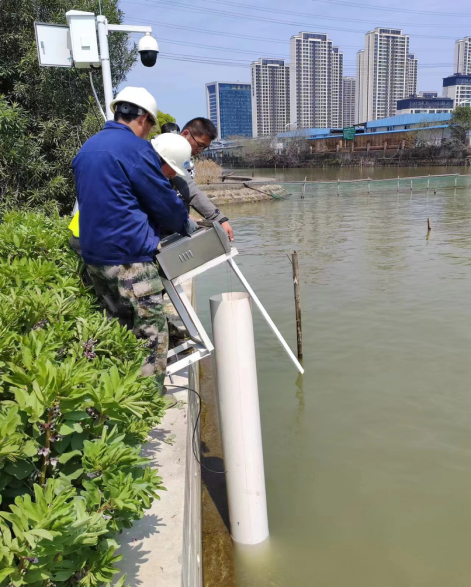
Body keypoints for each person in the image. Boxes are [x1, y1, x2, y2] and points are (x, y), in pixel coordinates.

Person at [72, 86, 194, 390]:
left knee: (120, 329)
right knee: (152, 338)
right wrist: (183, 222)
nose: (149, 130)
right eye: (151, 124)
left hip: (95, 259)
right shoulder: (136, 151)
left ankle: (117, 394)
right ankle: (146, 404)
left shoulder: (87, 148)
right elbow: (164, 203)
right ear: (143, 118)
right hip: (130, 262)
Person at [163, 118, 234, 241]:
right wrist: (184, 216)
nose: (199, 151)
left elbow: (190, 189)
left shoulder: (182, 159)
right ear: (185, 134)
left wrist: (220, 218)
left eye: (204, 148)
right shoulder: (164, 153)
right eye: (200, 145)